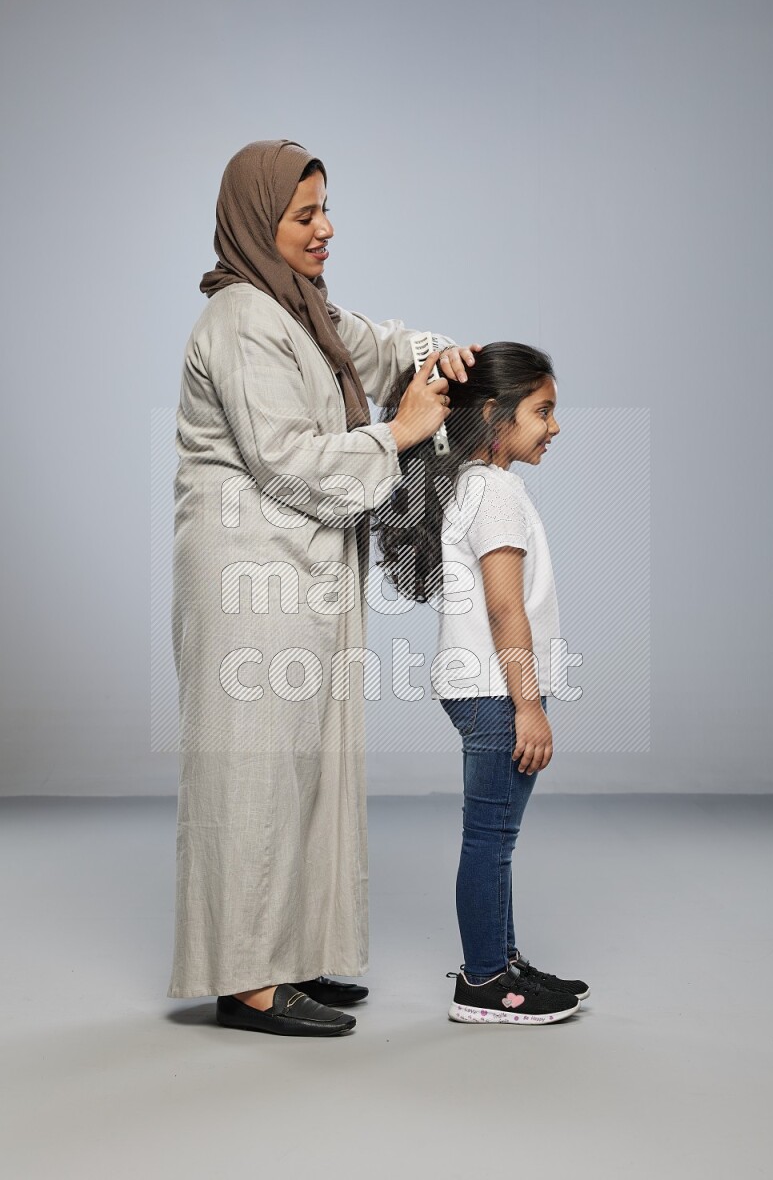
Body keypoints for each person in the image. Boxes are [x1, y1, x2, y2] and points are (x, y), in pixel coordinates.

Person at [168, 139, 478, 1037]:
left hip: (300, 568)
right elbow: (290, 461)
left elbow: (378, 349)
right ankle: (247, 982)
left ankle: (290, 956)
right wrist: (401, 434)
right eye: (304, 215)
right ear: (256, 222)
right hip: (247, 575)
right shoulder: (240, 319)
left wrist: (444, 358)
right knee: (255, 770)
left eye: (326, 209)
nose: (325, 228)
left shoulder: (300, 310)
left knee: (308, 763)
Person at [374, 342, 590, 1025]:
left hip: (484, 686)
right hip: (498, 691)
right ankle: (485, 982)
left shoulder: (474, 484)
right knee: (491, 839)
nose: (555, 427)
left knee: (495, 839)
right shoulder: (494, 493)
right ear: (496, 415)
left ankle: (502, 960)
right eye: (542, 411)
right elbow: (504, 607)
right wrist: (529, 705)